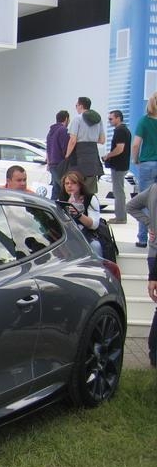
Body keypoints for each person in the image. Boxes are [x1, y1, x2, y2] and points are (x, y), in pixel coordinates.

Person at [126, 177, 157, 366]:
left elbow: (131, 206)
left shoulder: (153, 188)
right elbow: (131, 206)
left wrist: (149, 223)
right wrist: (149, 224)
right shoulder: (153, 189)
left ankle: (154, 353)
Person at [132, 91, 157, 248]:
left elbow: (136, 144)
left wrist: (135, 160)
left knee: (145, 202)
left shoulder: (144, 121)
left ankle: (143, 238)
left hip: (147, 164)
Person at [65, 96, 105, 194]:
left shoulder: (77, 119)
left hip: (79, 155)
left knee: (77, 185)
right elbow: (102, 140)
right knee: (90, 189)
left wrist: (67, 155)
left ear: (81, 106)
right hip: (93, 155)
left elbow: (73, 140)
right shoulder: (98, 120)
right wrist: (91, 138)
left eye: (76, 105)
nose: (76, 107)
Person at [61, 170, 102, 257]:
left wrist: (79, 215)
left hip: (87, 235)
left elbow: (94, 225)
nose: (69, 186)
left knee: (96, 246)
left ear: (80, 185)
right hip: (67, 236)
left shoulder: (90, 198)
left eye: (73, 183)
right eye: (67, 183)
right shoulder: (61, 199)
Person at [103, 110, 131, 224]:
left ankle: (120, 217)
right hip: (122, 164)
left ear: (118, 118)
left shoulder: (120, 130)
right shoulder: (125, 130)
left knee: (118, 192)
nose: (109, 121)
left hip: (118, 165)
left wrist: (108, 156)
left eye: (111, 119)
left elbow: (119, 148)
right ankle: (120, 216)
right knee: (119, 191)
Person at [46, 110, 70, 201]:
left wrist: (49, 163)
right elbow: (65, 148)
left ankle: (51, 206)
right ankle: (65, 207)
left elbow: (48, 149)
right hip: (61, 165)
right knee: (65, 188)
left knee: (56, 189)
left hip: (52, 165)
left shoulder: (50, 132)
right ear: (66, 119)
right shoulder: (63, 130)